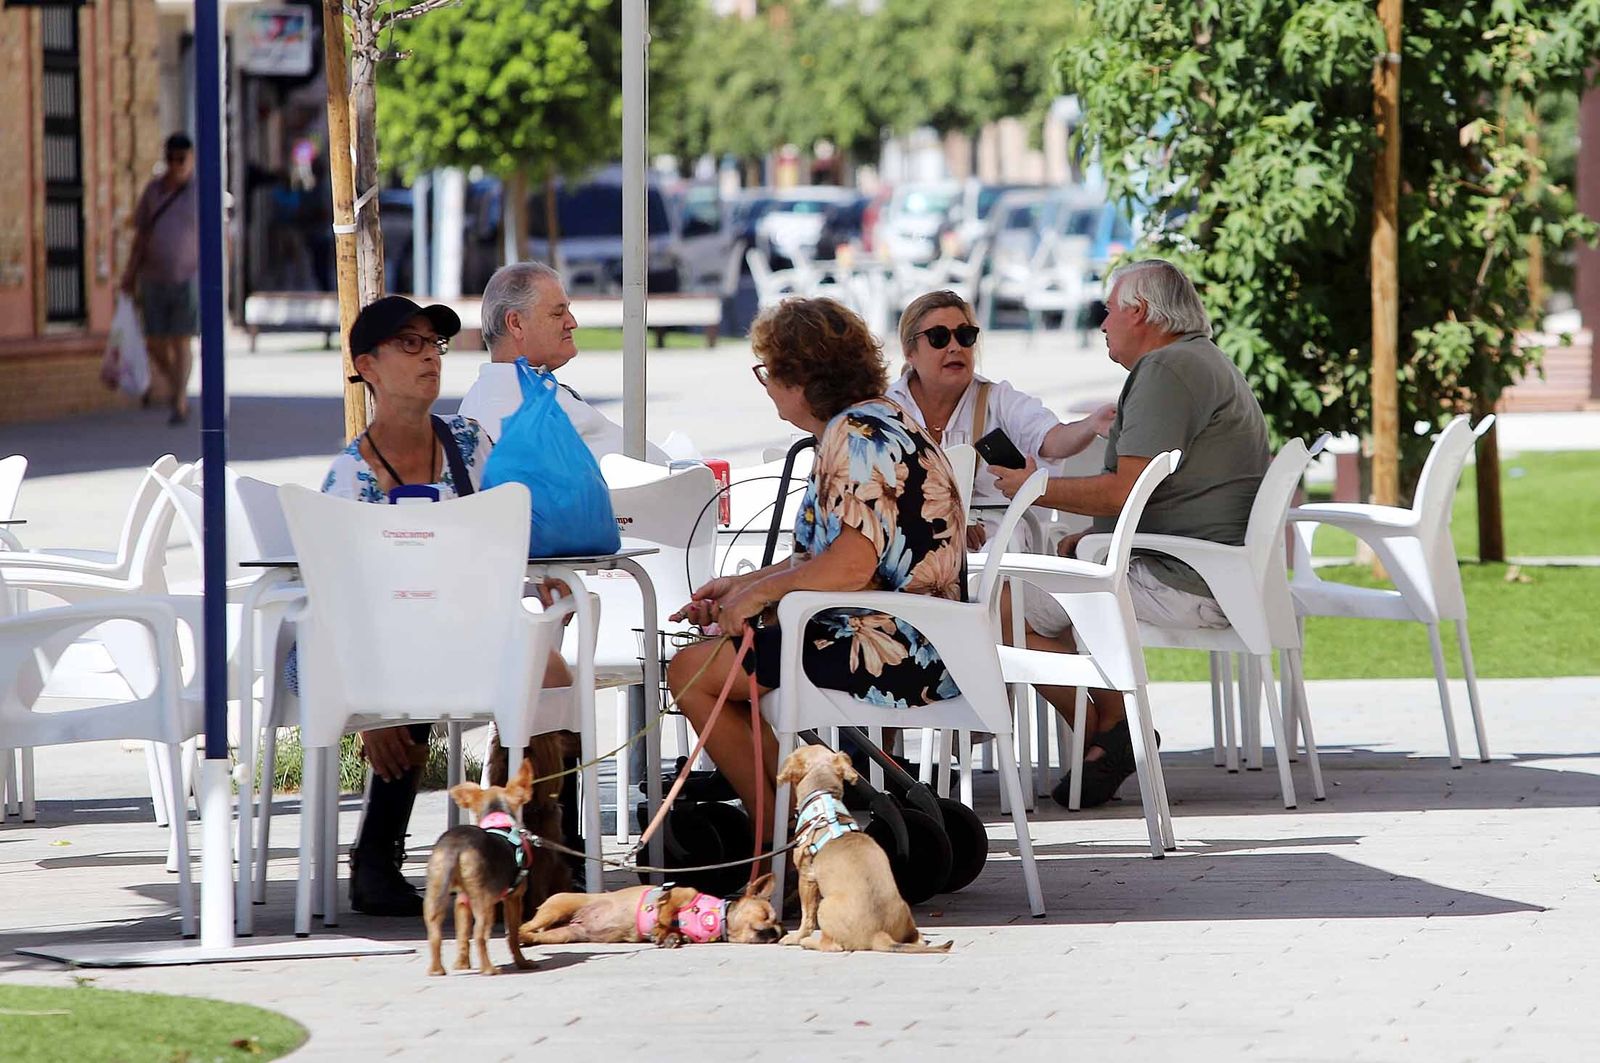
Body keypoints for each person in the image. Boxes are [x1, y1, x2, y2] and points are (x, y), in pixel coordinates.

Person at [664, 298, 967, 846]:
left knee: (690, 671)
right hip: (920, 633)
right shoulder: (876, 420)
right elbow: (828, 557)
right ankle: (795, 824)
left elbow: (851, 564)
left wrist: (758, 595)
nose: (766, 386)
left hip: (897, 646)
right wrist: (743, 588)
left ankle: (780, 835)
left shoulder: (856, 434)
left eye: (767, 371)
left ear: (798, 377)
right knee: (722, 666)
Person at [320, 295, 573, 915]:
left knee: (550, 668)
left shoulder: (467, 441)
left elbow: (506, 535)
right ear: (366, 366)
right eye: (408, 344)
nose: (429, 357)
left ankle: (544, 848)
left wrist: (535, 579)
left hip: (462, 627)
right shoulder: (349, 478)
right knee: (412, 669)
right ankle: (377, 857)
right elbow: (336, 599)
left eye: (432, 345)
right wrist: (370, 707)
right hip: (372, 643)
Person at [991, 258, 1271, 808]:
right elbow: (1151, 491)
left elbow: (1125, 491)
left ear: (1139, 312)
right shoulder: (1199, 359)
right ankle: (1110, 732)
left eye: (1108, 311)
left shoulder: (1166, 369)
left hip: (1187, 579)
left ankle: (1109, 729)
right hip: (1208, 570)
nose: (1102, 324)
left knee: (999, 605)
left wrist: (1034, 488)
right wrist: (1087, 542)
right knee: (1046, 589)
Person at [887, 289, 1114, 550]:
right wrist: (948, 520)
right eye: (939, 337)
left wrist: (1090, 425)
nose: (955, 347)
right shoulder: (887, 408)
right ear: (909, 351)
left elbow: (1052, 439)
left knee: (1002, 546)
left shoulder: (998, 399)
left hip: (995, 540)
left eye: (965, 336)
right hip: (911, 536)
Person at [459, 261, 669, 462]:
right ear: (516, 324)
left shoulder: (509, 393)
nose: (572, 322)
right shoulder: (506, 405)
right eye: (558, 313)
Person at [121, 133, 198, 425]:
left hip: (187, 277)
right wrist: (130, 273)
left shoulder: (199, 194)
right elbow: (141, 235)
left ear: (191, 159)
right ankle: (177, 386)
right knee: (154, 341)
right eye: (171, 159)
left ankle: (179, 401)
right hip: (153, 277)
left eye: (181, 159)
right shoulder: (153, 191)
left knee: (181, 339)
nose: (176, 165)